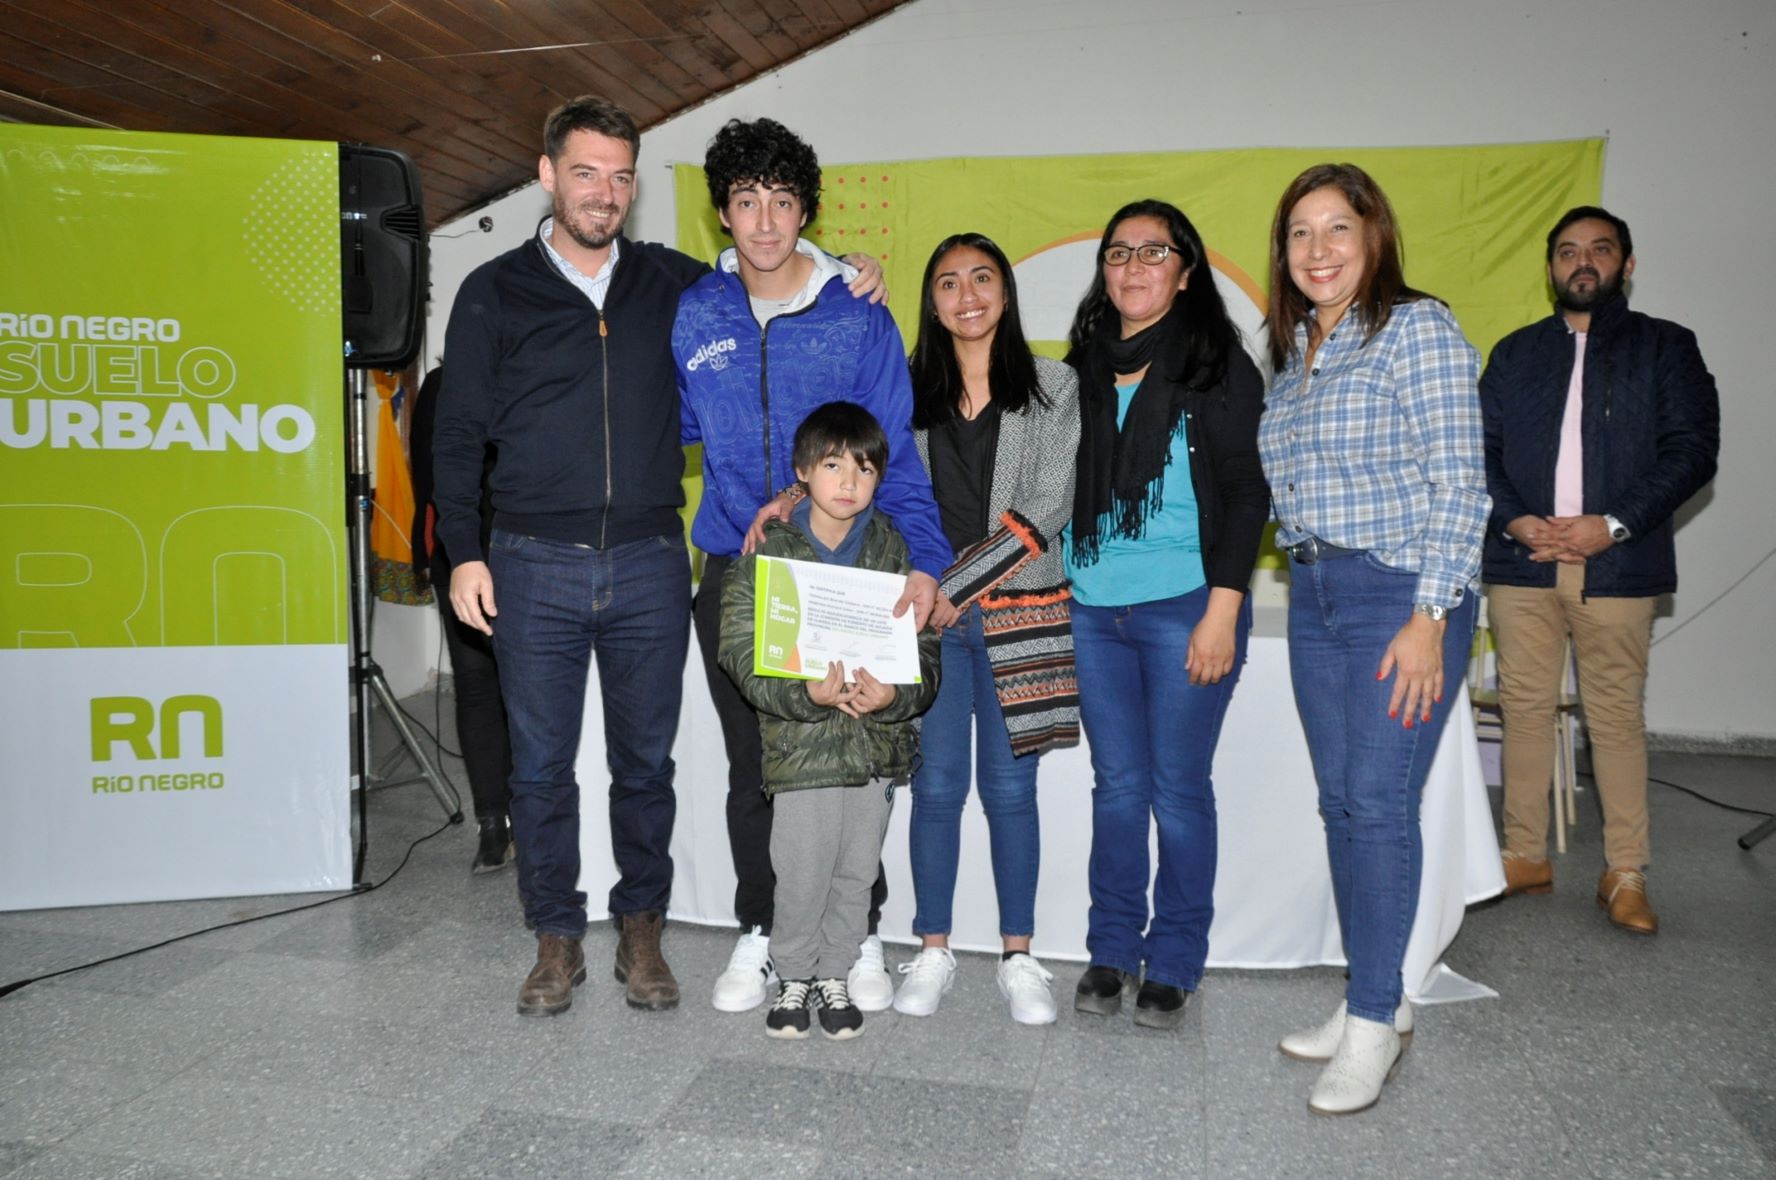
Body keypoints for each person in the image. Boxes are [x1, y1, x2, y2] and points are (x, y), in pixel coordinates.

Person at [435, 96, 883, 1019]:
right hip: (529, 559)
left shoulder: (675, 286)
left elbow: (769, 273)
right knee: (541, 766)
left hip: (647, 559)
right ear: (549, 174)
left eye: (621, 175)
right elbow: (457, 435)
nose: (605, 192)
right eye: (586, 172)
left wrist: (848, 270)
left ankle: (643, 930)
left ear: (636, 187)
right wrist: (464, 554)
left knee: (647, 765)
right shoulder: (492, 291)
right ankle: (556, 938)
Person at [674, 117, 949, 1016]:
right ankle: (763, 931)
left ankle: (858, 932)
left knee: (853, 754)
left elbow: (895, 453)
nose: (764, 222)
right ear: (722, 213)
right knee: (755, 762)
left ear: (805, 212)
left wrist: (928, 567)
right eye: (746, 202)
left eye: (782, 202)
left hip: (848, 573)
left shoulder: (857, 310)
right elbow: (671, 424)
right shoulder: (696, 313)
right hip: (736, 566)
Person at [1258, 163, 1488, 1114]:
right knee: (1342, 806)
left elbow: (1463, 485)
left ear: (1374, 236)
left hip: (1400, 594)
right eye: (1300, 234)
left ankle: (1373, 1023)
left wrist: (1430, 619)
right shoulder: (1295, 352)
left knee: (1379, 805)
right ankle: (1375, 1003)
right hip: (1314, 591)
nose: (1318, 249)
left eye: (1337, 229)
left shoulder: (1417, 330)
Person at [1481, 205, 1719, 935]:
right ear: (1550, 267)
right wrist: (1520, 520)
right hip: (1524, 561)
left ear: (1627, 263)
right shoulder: (1516, 353)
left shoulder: (1666, 348)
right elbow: (1479, 452)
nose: (1582, 262)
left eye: (1600, 249)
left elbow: (1691, 451)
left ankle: (1624, 872)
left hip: (1619, 565)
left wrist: (1609, 527)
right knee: (1522, 711)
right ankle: (1522, 855)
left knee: (1613, 718)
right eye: (1567, 252)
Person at [1062, 201, 1269, 1032]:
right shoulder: (1079, 365)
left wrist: (1223, 609)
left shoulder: (1219, 365)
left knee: (1178, 791)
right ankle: (1111, 949)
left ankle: (1177, 957)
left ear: (1185, 270)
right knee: (1117, 789)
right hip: (1092, 610)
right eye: (1119, 251)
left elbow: (1250, 492)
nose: (1134, 265)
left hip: (1187, 607)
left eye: (1155, 252)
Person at [893, 233, 1080, 1025]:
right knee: (934, 791)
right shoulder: (905, 394)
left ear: (1004, 292)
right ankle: (932, 950)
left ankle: (1019, 956)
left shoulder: (1052, 386)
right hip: (928, 624)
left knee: (1010, 792)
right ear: (931, 301)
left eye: (981, 279)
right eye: (947, 283)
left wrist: (954, 587)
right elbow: (890, 498)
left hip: (1018, 617)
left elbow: (1048, 504)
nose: (966, 295)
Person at [716, 402, 941, 1040]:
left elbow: (924, 655)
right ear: (802, 473)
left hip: (874, 751)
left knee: (856, 868)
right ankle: (791, 976)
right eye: (833, 465)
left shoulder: (896, 550)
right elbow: (738, 648)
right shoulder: (769, 551)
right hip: (803, 749)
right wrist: (804, 694)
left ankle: (836, 972)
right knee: (801, 866)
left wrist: (890, 698)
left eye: (865, 469)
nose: (849, 482)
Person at [409, 362, 514, 874]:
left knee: (485, 689)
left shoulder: (442, 384)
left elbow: (426, 478)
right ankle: (501, 821)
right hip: (498, 555)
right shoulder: (524, 374)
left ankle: (495, 826)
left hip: (464, 552)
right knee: (502, 689)